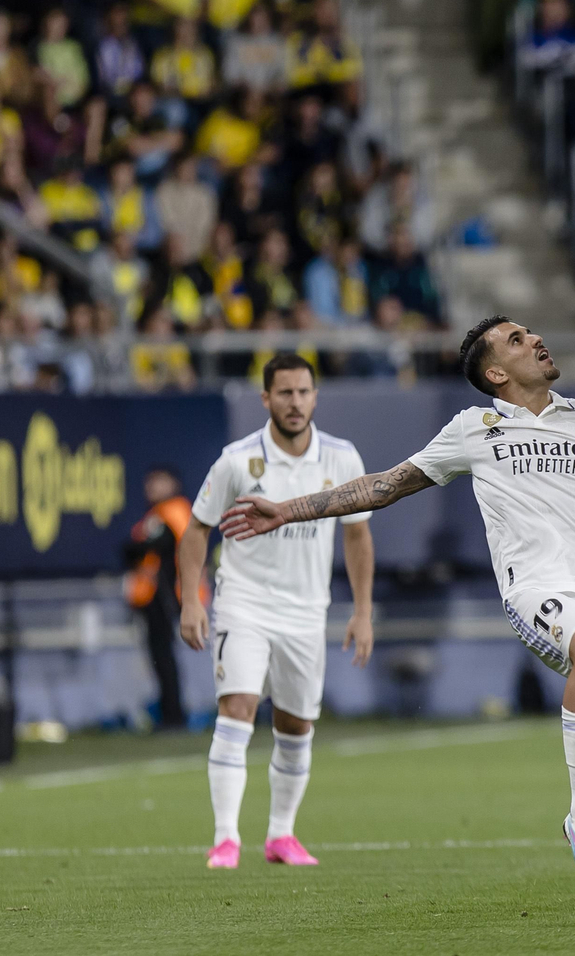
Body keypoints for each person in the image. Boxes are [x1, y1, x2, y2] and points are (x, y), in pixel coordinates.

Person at [220, 317, 575, 915]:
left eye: (533, 331)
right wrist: (288, 510)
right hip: (535, 589)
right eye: (515, 340)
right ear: (496, 373)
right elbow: (382, 487)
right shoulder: (473, 429)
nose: (534, 338)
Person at [177, 354, 377, 870]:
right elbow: (196, 529)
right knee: (237, 707)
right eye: (284, 393)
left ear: (315, 396)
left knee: (295, 725)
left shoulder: (341, 458)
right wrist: (191, 601)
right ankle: (225, 839)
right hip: (244, 603)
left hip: (307, 613)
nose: (295, 402)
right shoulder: (236, 461)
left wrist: (362, 611)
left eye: (303, 392)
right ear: (265, 399)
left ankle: (281, 837)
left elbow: (357, 536)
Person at [122, 467, 199, 729]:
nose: (152, 487)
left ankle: (174, 715)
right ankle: (170, 712)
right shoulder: (156, 514)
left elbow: (150, 546)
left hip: (167, 596)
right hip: (157, 597)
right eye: (150, 482)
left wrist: (136, 550)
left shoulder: (173, 511)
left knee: (165, 656)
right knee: (161, 656)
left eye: (159, 482)